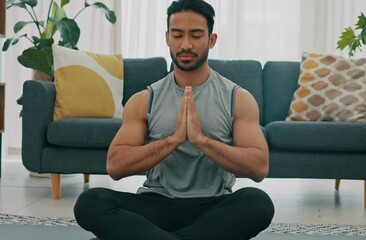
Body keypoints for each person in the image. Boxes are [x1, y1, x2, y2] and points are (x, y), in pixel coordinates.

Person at [74, 0, 275, 239]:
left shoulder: (238, 98)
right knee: (90, 201)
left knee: (258, 202)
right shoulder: (144, 100)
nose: (186, 44)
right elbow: (115, 167)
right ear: (167, 38)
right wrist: (174, 140)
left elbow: (259, 167)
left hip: (213, 207)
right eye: (178, 35)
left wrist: (202, 140)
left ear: (211, 40)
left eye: (196, 35)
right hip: (156, 205)